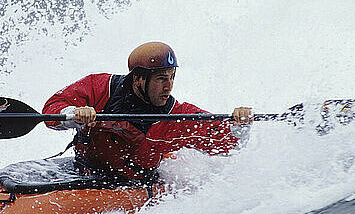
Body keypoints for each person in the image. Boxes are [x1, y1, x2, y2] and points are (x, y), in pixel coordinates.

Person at [43, 41, 253, 183]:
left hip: (133, 184)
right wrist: (74, 114)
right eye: (161, 78)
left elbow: (227, 145)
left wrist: (240, 125)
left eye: (171, 77)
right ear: (138, 79)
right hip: (84, 171)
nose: (169, 86)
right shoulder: (100, 87)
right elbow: (52, 109)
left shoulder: (178, 116)